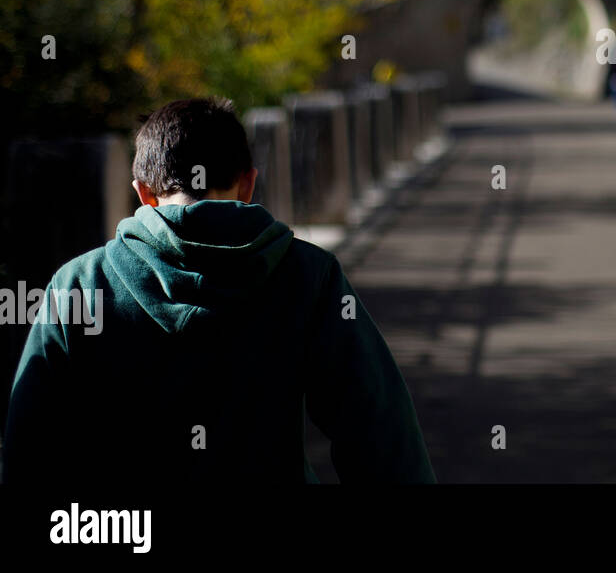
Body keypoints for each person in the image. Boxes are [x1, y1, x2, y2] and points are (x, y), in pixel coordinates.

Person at [2, 97, 435, 484]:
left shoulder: (80, 283)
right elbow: (380, 432)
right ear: (247, 183)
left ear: (143, 193)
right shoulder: (308, 275)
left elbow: (29, 448)